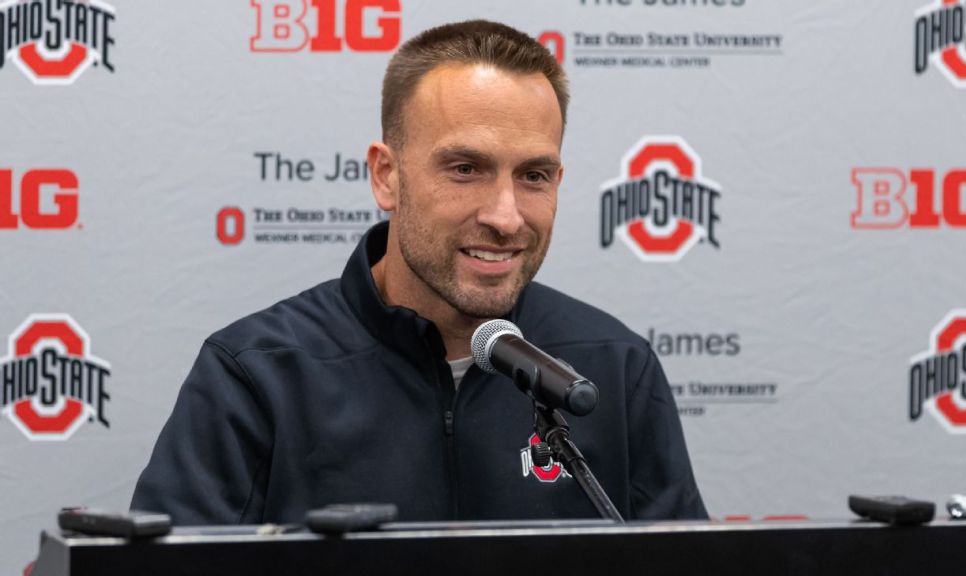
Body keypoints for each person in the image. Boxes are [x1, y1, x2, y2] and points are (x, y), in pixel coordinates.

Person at [131, 20, 706, 523]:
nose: (505, 216)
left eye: (533, 176)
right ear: (387, 176)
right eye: (465, 168)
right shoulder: (257, 374)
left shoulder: (614, 367)